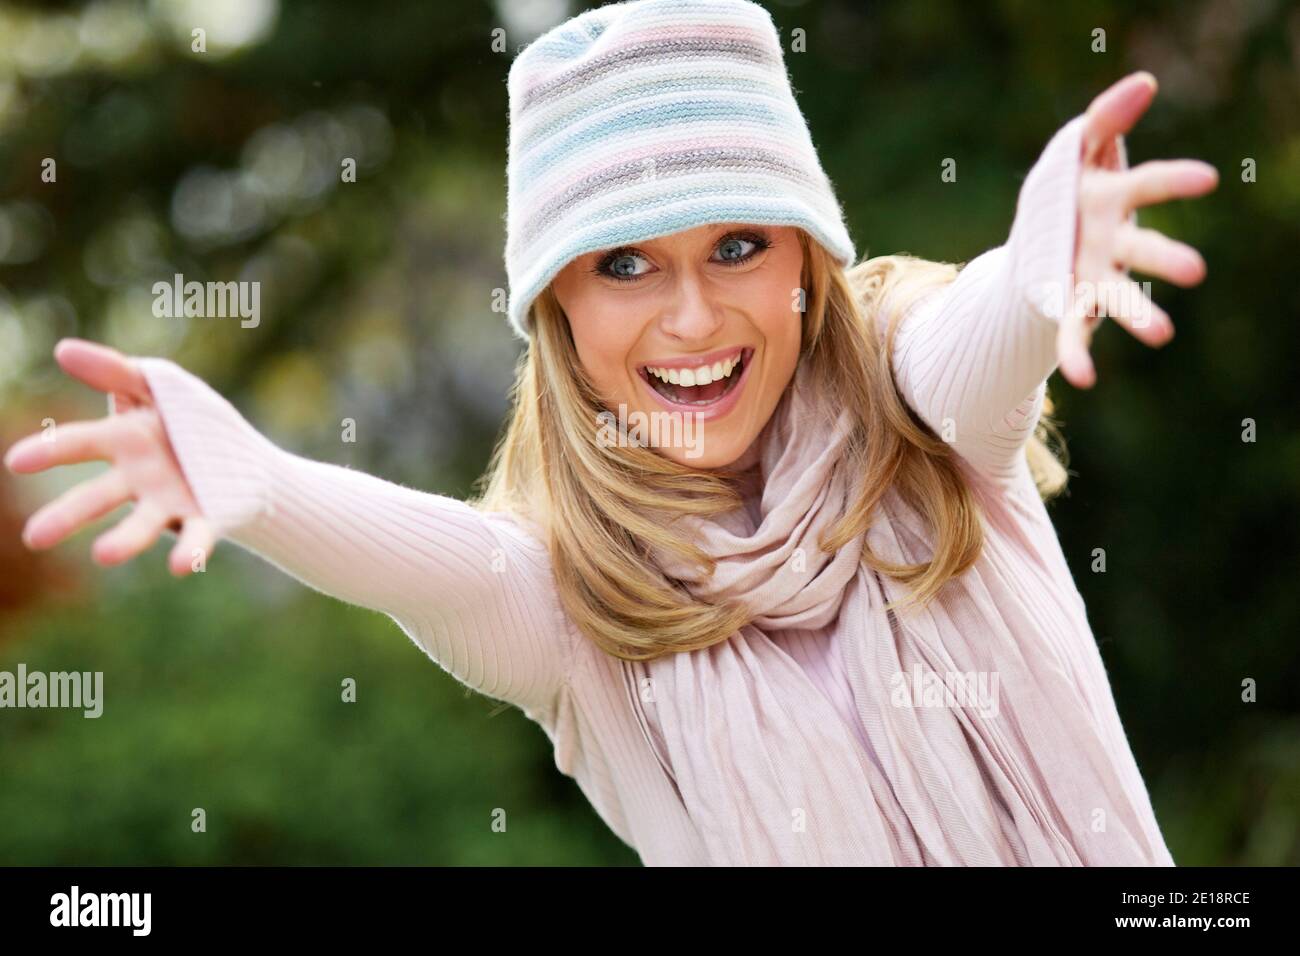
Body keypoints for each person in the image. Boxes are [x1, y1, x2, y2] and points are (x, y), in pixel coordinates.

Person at [4, 0, 1217, 865]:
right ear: (556, 312)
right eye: (625, 264)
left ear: (806, 258)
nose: (694, 316)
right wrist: (260, 484)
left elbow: (970, 347)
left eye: (739, 245)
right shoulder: (573, 605)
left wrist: (1034, 272)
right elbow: (463, 566)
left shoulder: (919, 409)